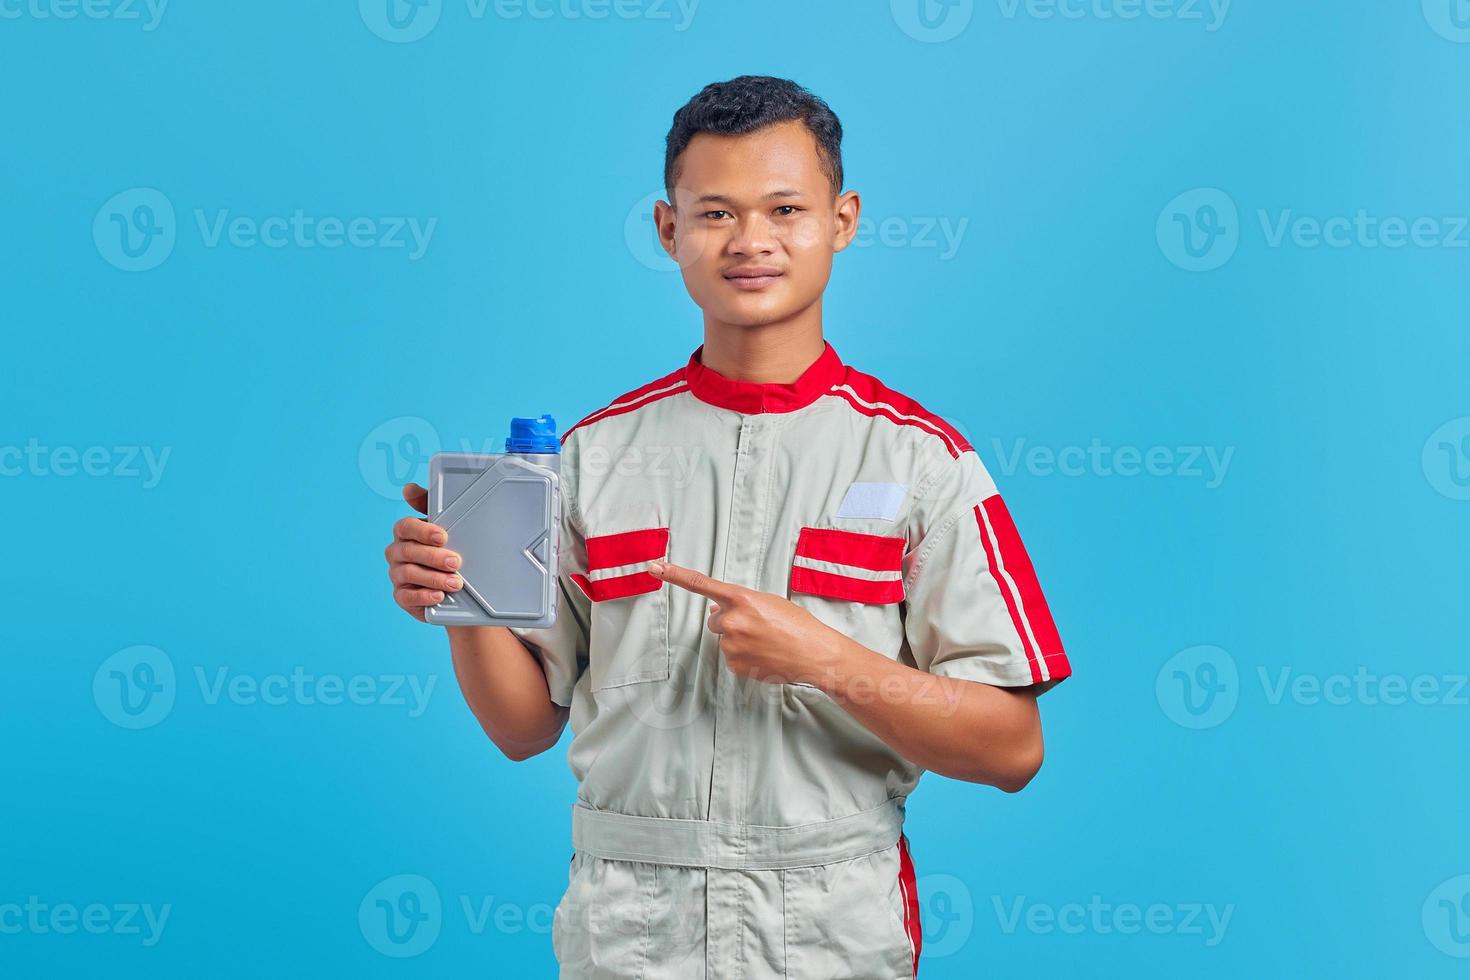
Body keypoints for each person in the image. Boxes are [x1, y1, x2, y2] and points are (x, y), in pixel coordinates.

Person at [384, 75, 1071, 980]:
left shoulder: (923, 463)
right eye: (714, 213)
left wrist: (824, 658)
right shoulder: (595, 457)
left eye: (785, 207)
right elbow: (522, 728)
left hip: (832, 931)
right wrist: (461, 598)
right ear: (670, 231)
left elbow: (1013, 748)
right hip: (632, 932)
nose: (751, 241)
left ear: (843, 219)